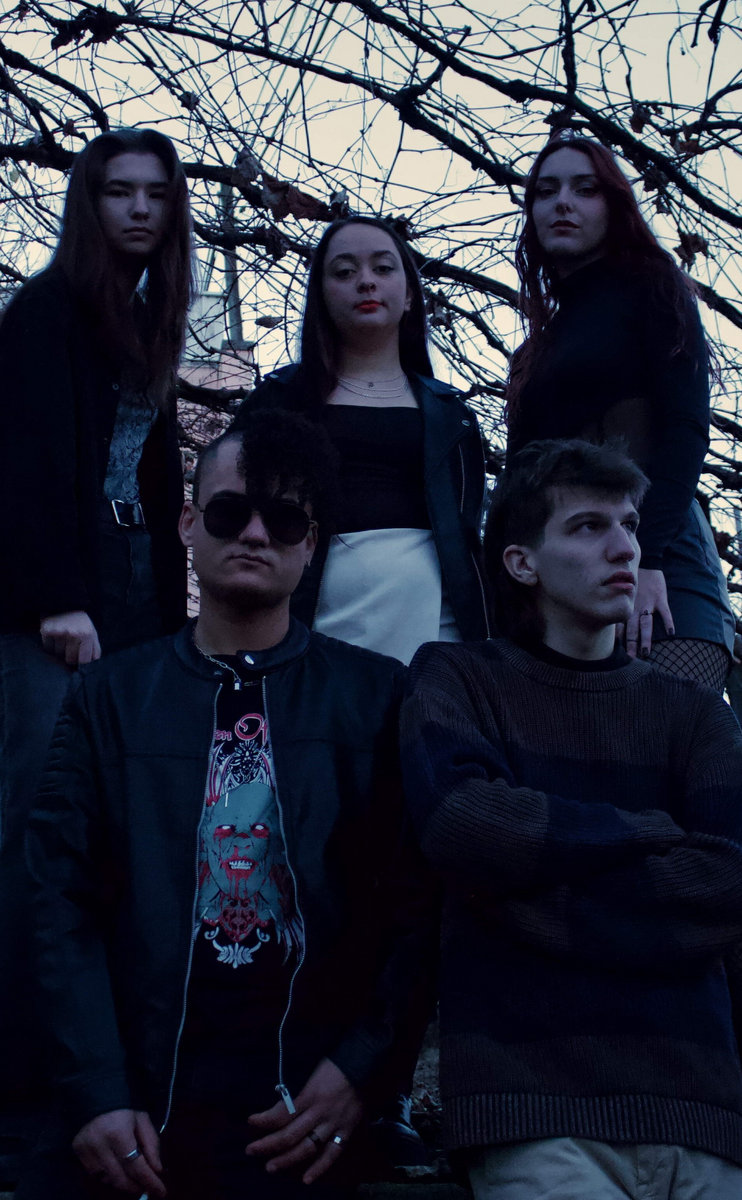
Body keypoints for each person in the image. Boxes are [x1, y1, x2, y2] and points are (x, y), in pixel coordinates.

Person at [21, 409, 435, 1200]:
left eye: (284, 519)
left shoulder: (376, 698)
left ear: (310, 545)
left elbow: (415, 910)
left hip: (302, 1125)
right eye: (228, 512)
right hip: (134, 1112)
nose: (254, 534)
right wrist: (96, 1092)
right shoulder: (109, 698)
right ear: (187, 524)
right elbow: (57, 903)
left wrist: (360, 1072)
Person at [400, 438, 742, 1200]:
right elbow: (462, 826)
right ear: (522, 562)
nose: (624, 548)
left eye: (629, 525)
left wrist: (520, 891)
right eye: (589, 526)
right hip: (534, 1111)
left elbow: (729, 879)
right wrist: (648, 831)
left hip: (701, 1113)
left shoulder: (694, 714)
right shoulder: (460, 679)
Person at [0, 126, 194, 1179]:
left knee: (121, 830)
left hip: (134, 594)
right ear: (89, 203)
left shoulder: (148, 321)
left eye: (156, 194)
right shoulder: (44, 315)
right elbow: (21, 465)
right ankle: (23, 1100)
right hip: (56, 605)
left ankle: (106, 1083)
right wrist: (55, 600)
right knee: (38, 830)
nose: (139, 210)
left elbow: (153, 484)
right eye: (119, 193)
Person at [507, 131, 735, 691]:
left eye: (584, 189)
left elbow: (686, 428)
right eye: (546, 191)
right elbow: (521, 481)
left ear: (614, 206)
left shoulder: (652, 288)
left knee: (674, 728)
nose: (562, 203)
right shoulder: (538, 348)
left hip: (660, 549)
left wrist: (646, 557)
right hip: (563, 574)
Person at [231, 215, 491, 667]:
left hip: (435, 635)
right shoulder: (276, 402)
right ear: (321, 295)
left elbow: (467, 535)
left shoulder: (453, 416)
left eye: (383, 268)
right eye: (345, 271)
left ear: (409, 295)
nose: (366, 282)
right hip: (306, 634)